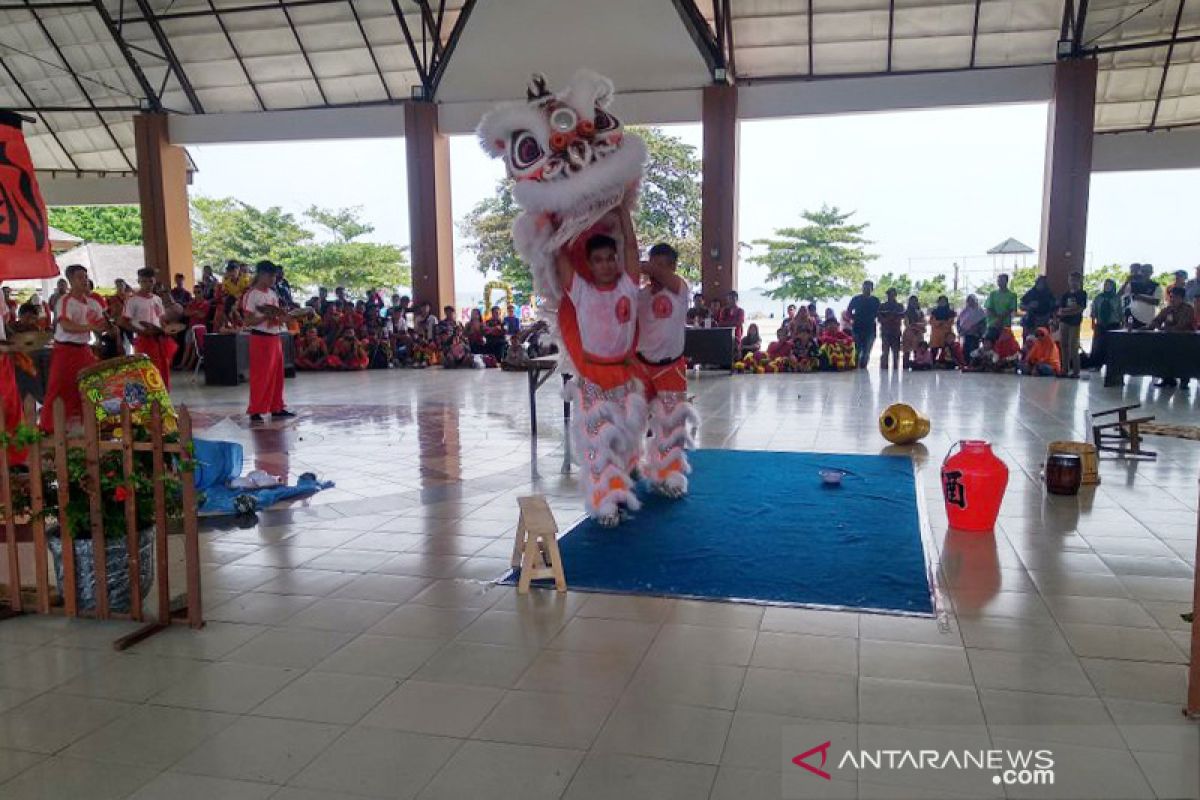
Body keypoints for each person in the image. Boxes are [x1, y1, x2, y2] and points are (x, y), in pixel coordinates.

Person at [557, 207, 644, 526]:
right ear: (590, 265)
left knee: (622, 442)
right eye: (599, 259)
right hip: (592, 378)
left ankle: (618, 491)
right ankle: (603, 502)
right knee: (598, 442)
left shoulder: (628, 286)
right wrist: (555, 221)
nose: (606, 264)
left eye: (611, 258)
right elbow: (560, 258)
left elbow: (633, 249)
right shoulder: (580, 289)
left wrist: (623, 215)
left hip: (623, 376)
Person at [636, 242, 696, 497]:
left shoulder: (680, 289)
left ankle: (669, 477)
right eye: (653, 263)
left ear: (673, 267)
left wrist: (636, 265)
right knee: (631, 420)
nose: (655, 271)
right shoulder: (640, 295)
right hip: (640, 366)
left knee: (671, 427)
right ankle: (631, 469)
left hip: (670, 367)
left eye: (662, 266)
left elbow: (657, 275)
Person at [39, 264, 107, 431]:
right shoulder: (65, 300)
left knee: (93, 384)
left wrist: (110, 327)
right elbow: (66, 325)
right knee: (59, 387)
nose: (84, 280)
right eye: (79, 277)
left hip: (84, 349)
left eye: (85, 276)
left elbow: (102, 324)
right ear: (70, 280)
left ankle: (99, 421)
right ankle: (50, 427)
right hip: (65, 351)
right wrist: (91, 328)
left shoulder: (93, 302)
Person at [240, 262, 293, 423]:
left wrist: (288, 317)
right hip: (260, 338)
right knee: (261, 376)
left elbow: (277, 316)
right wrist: (265, 316)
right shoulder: (252, 294)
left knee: (277, 375)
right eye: (271, 276)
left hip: (275, 336)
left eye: (275, 276)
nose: (274, 279)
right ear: (262, 274)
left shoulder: (272, 293)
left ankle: (276, 407)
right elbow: (248, 321)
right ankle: (256, 409)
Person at [120, 268, 179, 389]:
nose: (148, 284)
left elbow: (161, 319)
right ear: (139, 281)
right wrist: (143, 331)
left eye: (150, 281)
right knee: (147, 373)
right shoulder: (132, 300)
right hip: (144, 340)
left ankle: (163, 401)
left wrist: (168, 329)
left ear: (154, 281)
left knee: (163, 372)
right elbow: (122, 321)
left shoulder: (157, 299)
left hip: (159, 340)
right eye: (144, 281)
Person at [1148, 286, 1197, 388]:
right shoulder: (1167, 309)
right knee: (1164, 355)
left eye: (1175, 297)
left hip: (1186, 341)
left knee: (1184, 359)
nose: (1172, 299)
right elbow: (1157, 320)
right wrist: (1149, 326)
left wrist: (1163, 328)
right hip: (1170, 340)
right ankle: (1168, 379)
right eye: (1171, 296)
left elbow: (1181, 325)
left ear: (1181, 298)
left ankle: (1184, 381)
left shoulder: (1188, 309)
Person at [1055, 271, 1087, 378]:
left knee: (1073, 346)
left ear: (1079, 281)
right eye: (1071, 280)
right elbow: (1060, 310)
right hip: (1064, 322)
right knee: (1064, 345)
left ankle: (1076, 371)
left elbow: (1079, 309)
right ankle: (1065, 369)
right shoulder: (1065, 295)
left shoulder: (1082, 294)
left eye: (1075, 280)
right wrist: (1068, 310)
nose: (1073, 283)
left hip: (1075, 322)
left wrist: (1067, 311)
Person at [846, 280, 880, 369]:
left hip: (870, 329)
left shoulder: (875, 300)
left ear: (872, 289)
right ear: (862, 288)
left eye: (868, 288)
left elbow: (879, 314)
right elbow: (848, 311)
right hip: (857, 328)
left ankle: (863, 368)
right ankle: (855, 367)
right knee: (857, 350)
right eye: (865, 287)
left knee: (866, 352)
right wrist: (853, 318)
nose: (866, 290)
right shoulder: (856, 299)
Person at [1122, 263, 1162, 329]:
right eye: (1143, 271)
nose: (1145, 273)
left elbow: (1156, 302)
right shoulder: (1132, 284)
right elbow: (1119, 295)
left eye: (1147, 271)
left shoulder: (1156, 286)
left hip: (1148, 319)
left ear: (1151, 273)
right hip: (1133, 317)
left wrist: (1140, 297)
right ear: (1140, 272)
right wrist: (1127, 281)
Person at [876, 288, 904, 370]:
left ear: (895, 295)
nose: (891, 296)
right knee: (885, 352)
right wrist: (888, 319)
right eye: (889, 294)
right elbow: (879, 318)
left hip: (896, 332)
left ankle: (896, 369)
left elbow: (901, 316)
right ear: (887, 295)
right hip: (885, 332)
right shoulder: (882, 306)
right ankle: (883, 369)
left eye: (893, 294)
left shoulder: (899, 306)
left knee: (896, 353)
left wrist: (893, 319)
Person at [956, 294, 987, 359]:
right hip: (965, 334)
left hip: (975, 334)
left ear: (976, 301)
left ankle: (973, 363)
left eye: (972, 300)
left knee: (974, 349)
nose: (971, 302)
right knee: (965, 349)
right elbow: (958, 321)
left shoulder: (980, 311)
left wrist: (976, 329)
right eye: (969, 300)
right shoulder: (964, 311)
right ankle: (966, 363)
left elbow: (983, 323)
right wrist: (960, 330)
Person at [928, 295, 957, 360]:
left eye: (944, 301)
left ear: (947, 302)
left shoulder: (950, 312)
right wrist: (939, 323)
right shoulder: (934, 312)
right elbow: (931, 322)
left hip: (946, 335)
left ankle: (944, 364)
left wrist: (942, 323)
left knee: (946, 351)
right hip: (936, 335)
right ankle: (932, 364)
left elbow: (951, 322)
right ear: (938, 302)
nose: (942, 303)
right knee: (934, 351)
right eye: (941, 301)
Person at [901, 296, 926, 368]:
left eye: (915, 301)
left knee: (918, 351)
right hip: (909, 333)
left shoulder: (921, 312)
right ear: (909, 302)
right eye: (912, 301)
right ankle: (905, 366)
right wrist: (915, 327)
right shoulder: (906, 312)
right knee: (906, 351)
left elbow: (924, 322)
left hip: (919, 333)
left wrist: (917, 325)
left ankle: (917, 366)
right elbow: (906, 324)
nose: (914, 303)